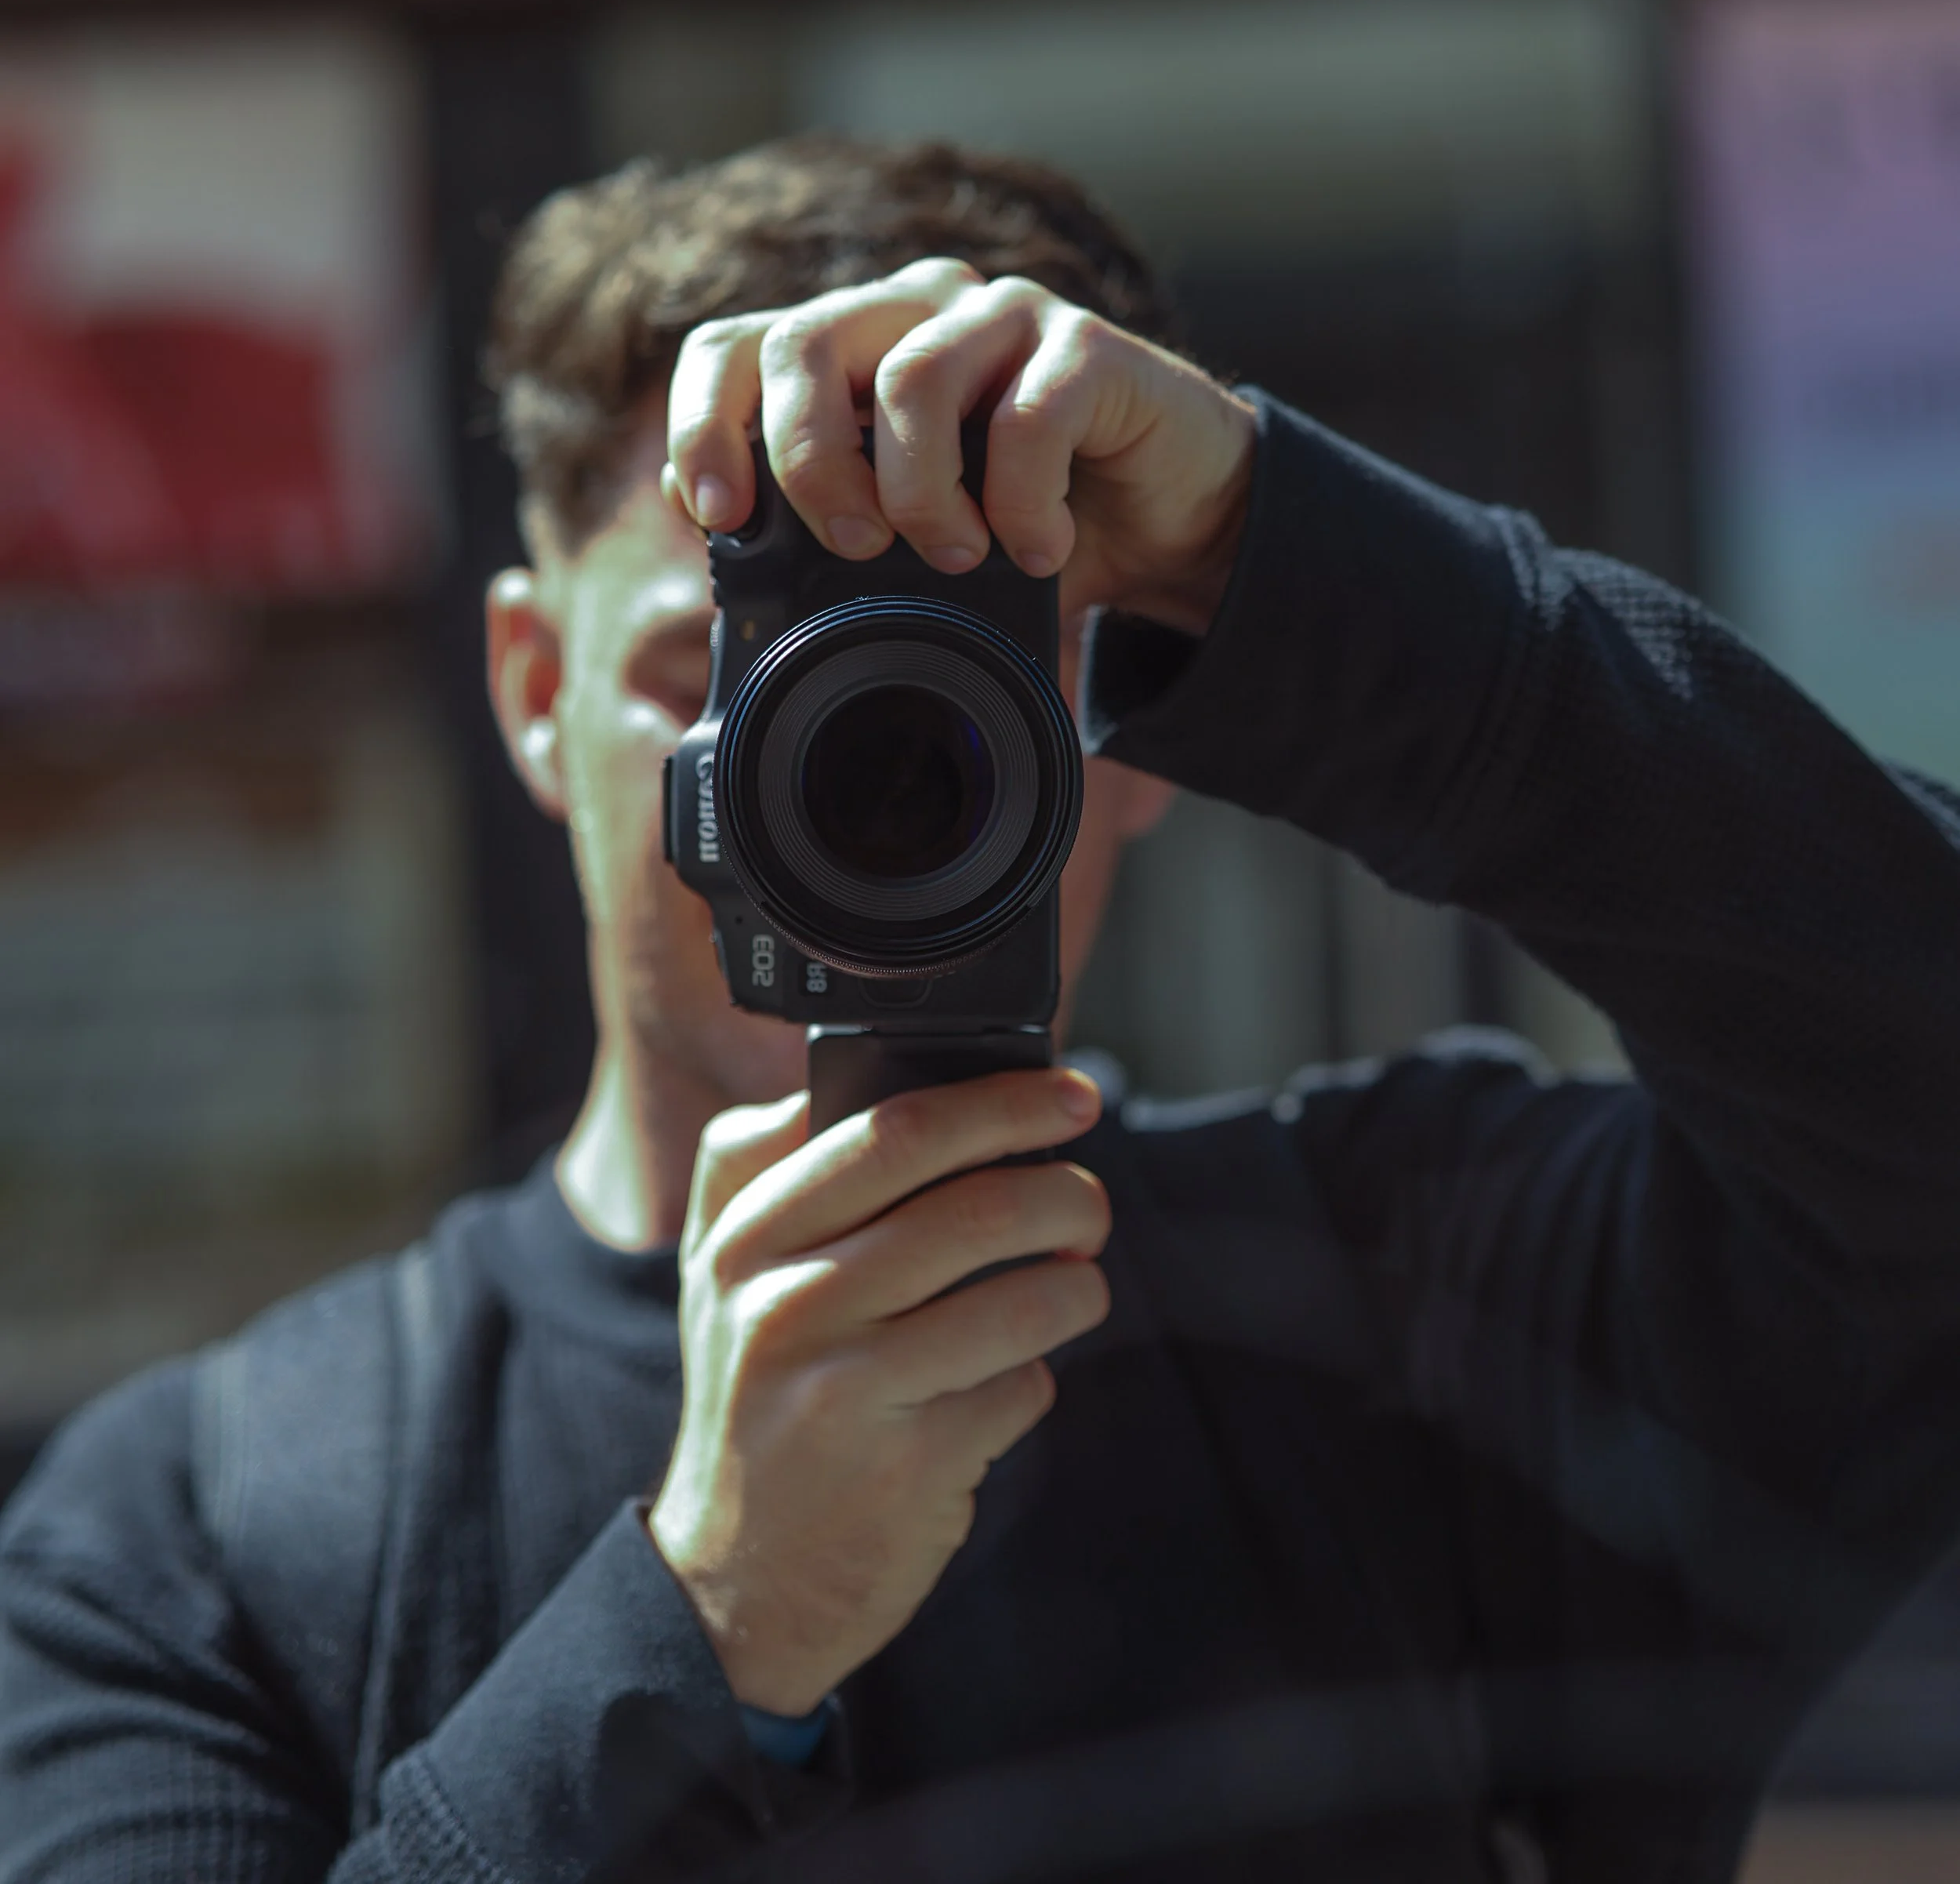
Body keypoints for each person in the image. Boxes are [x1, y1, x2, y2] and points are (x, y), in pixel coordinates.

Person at [5, 130, 1960, 1884]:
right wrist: (696, 1633)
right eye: (717, 677)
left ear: (1139, 723)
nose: (820, 787)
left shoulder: (1420, 1296)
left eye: (961, 697)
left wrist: (1292, 559)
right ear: (527, 691)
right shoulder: (191, 1530)